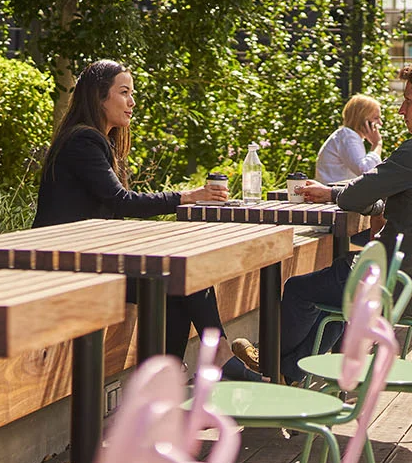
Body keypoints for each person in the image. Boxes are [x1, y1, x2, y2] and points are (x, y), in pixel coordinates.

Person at [236, 59, 412, 385]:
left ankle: (272, 364)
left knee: (299, 289)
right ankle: (290, 370)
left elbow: (355, 197)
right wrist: (368, 199)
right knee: (333, 293)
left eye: (408, 101)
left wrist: (341, 195)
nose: (400, 110)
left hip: (382, 284)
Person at [31, 60, 263, 380]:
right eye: (124, 92)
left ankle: (176, 373)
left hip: (85, 256)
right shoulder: (83, 141)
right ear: (98, 97)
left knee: (182, 278)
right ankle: (205, 361)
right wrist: (188, 196)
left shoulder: (97, 140)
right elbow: (122, 202)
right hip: (66, 265)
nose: (132, 102)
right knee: (181, 276)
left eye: (133, 93)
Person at [315, 94, 383, 184]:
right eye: (375, 118)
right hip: (332, 194)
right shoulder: (348, 137)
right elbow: (366, 171)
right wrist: (377, 144)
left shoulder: (347, 136)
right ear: (362, 119)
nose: (380, 123)